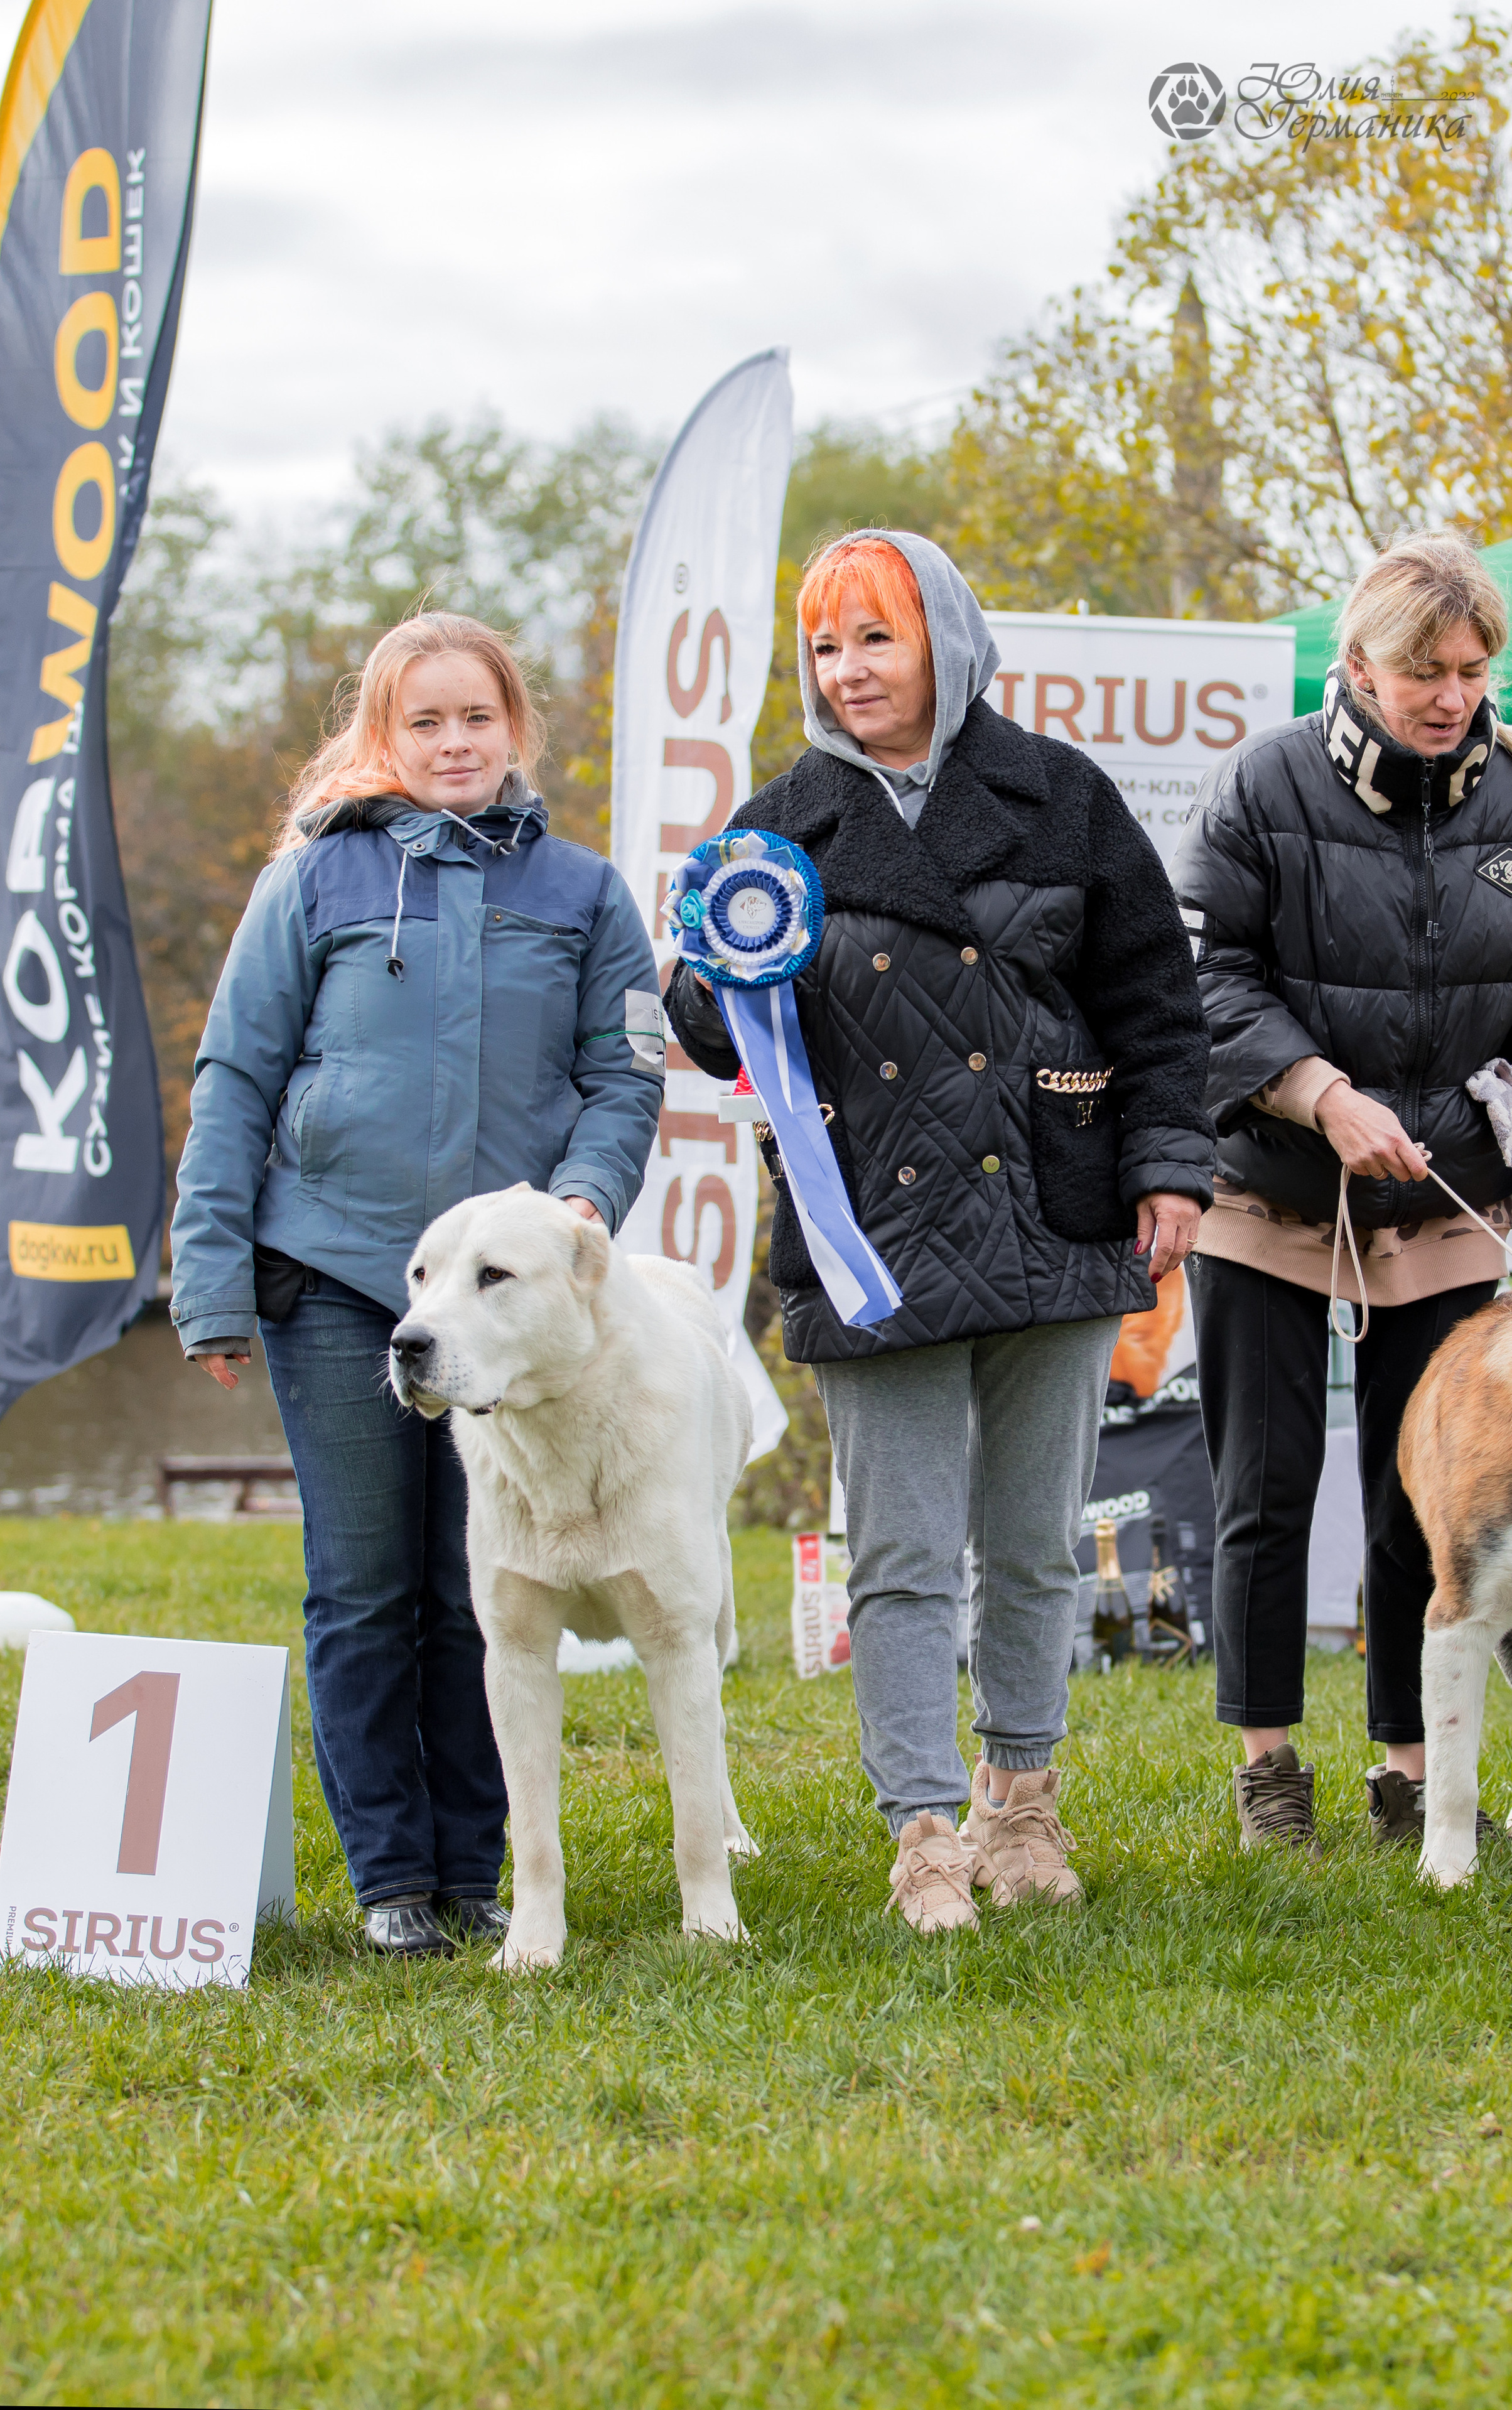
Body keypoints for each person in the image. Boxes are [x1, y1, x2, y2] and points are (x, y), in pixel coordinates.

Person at [665, 532, 1214, 1930]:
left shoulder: (1063, 795)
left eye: (877, 638)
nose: (848, 671)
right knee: (900, 1557)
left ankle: (1019, 1802)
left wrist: (1169, 1165)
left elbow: (1156, 1000)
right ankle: (919, 1831)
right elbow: (717, 1030)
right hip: (872, 1234)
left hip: (1053, 1212)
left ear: (946, 643)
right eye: (826, 645)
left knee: (1033, 1543)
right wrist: (706, 982)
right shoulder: (776, 826)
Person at [170, 612, 664, 1954]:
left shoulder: (586, 893)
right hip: (337, 1278)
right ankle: (392, 1881)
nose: (455, 743)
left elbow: (624, 1079)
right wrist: (210, 1277)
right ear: (381, 735)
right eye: (424, 721)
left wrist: (581, 1204)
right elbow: (235, 1079)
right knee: (366, 1584)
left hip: (504, 1305)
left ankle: (474, 1872)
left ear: (516, 728)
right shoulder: (308, 882)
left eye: (477, 717)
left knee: (477, 1589)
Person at [1173, 532, 1512, 1854]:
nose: (1450, 697)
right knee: (1264, 1487)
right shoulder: (1259, 783)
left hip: (1444, 1204)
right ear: (1360, 666)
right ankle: (1268, 1768)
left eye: (1471, 671)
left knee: (1417, 1492)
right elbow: (1203, 975)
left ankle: (1407, 1772)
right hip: (1265, 1193)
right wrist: (1316, 1092)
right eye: (1424, 672)